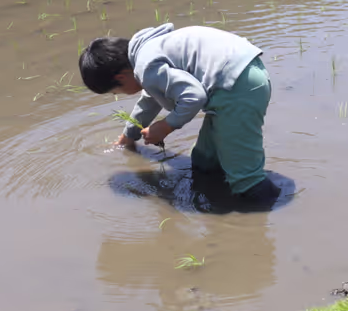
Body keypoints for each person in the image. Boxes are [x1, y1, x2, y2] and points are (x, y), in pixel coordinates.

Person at [79, 23, 280, 203]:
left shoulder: (146, 66)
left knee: (245, 179)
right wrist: (128, 137)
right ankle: (218, 198)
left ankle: (272, 213)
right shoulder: (146, 50)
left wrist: (165, 127)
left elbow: (194, 96)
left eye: (116, 91)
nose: (120, 94)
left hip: (237, 88)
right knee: (205, 161)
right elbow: (149, 101)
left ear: (121, 76)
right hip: (240, 76)